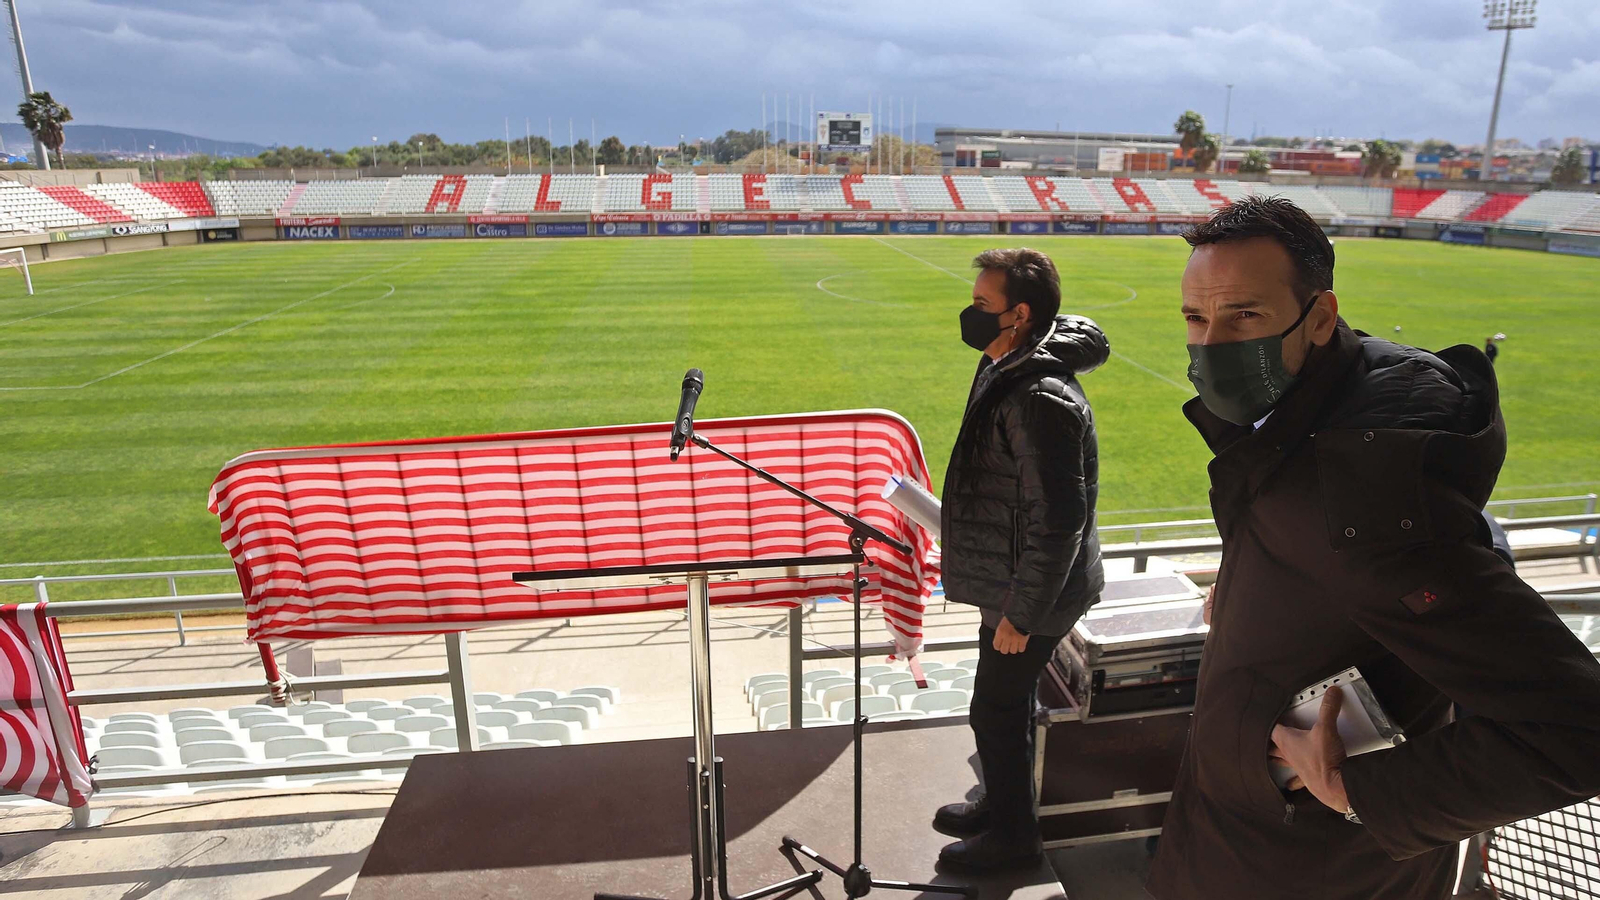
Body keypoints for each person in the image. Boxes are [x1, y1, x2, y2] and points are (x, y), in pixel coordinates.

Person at [1148, 196, 1600, 899]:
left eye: (1245, 315)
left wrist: (1360, 789)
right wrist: (1249, 591)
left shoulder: (1357, 496)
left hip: (1297, 868)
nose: (1210, 343)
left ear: (1321, 318)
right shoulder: (1320, 418)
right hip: (1251, 837)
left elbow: (1576, 729)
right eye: (1195, 318)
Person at [933, 248, 1109, 870]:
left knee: (997, 709)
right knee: (1003, 706)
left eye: (983, 304)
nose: (969, 313)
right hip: (1012, 582)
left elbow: (1059, 521)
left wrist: (1022, 613)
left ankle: (1013, 840)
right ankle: (1005, 803)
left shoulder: (1040, 397)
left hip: (1033, 595)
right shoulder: (1005, 365)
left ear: (1021, 314)